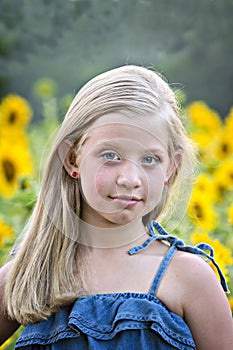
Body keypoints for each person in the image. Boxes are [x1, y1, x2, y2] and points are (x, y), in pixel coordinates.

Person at [0, 65, 232, 350]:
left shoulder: (191, 280)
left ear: (170, 168)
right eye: (111, 156)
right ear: (73, 159)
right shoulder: (30, 275)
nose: (130, 179)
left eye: (150, 159)